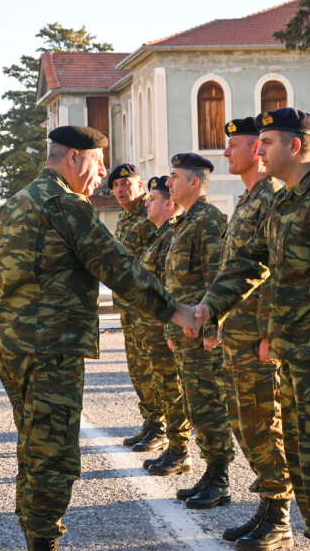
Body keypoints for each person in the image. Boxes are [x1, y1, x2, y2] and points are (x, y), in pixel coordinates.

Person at [0, 126, 196, 551]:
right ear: (74, 159)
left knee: (32, 443)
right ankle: (44, 540)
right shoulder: (65, 204)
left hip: (13, 347)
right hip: (53, 350)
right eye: (98, 162)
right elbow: (118, 267)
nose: (101, 173)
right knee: (53, 455)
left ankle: (34, 530)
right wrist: (176, 311)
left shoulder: (13, 204)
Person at [191, 108, 310, 550]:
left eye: (266, 142)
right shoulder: (285, 201)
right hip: (293, 354)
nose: (259, 150)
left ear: (294, 145)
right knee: (304, 467)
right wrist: (208, 308)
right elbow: (249, 263)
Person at [217, 118, 294, 549]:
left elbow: (274, 271)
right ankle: (266, 504)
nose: (226, 153)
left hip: (258, 337)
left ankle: (279, 515)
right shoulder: (247, 200)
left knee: (265, 422)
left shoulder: (273, 199)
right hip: (236, 333)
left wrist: (269, 333)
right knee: (245, 423)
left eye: (235, 145)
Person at [163, 152, 235, 510]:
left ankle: (220, 479)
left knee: (209, 406)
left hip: (200, 334)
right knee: (196, 406)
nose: (168, 183)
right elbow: (175, 283)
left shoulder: (208, 221)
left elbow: (216, 278)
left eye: (174, 177)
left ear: (195, 182)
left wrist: (211, 329)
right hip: (184, 333)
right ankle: (210, 470)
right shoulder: (184, 221)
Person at [137, 176, 193, 476]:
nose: (147, 203)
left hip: (164, 328)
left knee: (173, 391)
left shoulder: (172, 236)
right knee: (165, 389)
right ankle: (174, 445)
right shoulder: (157, 236)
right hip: (152, 328)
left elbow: (172, 288)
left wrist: (170, 328)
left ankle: (180, 449)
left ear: (169, 204)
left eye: (154, 199)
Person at [108, 162, 165, 452]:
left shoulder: (148, 213)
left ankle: (163, 427)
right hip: (129, 306)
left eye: (126, 184)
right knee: (137, 368)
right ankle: (151, 421)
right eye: (116, 186)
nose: (120, 189)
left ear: (140, 186)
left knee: (154, 367)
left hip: (146, 307)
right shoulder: (125, 216)